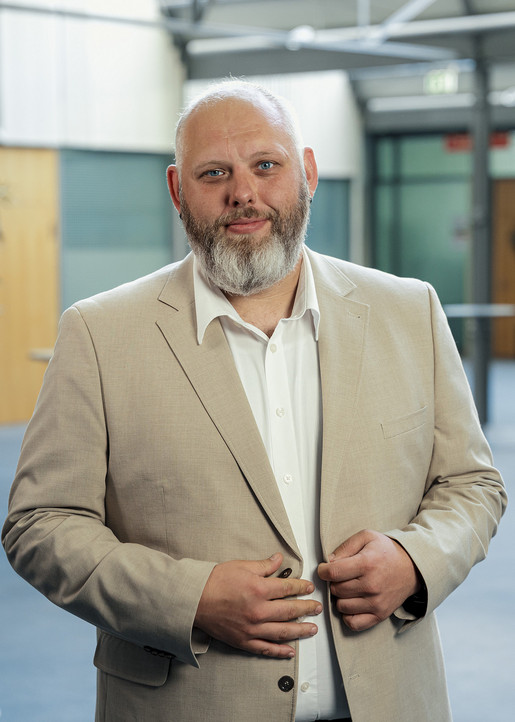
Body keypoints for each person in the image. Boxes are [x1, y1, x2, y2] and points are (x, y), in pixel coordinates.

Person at [2, 79, 506, 722]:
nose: (243, 192)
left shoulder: (409, 311)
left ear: (309, 173)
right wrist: (189, 599)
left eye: (266, 165)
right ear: (177, 190)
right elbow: (40, 524)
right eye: (214, 172)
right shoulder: (99, 334)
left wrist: (416, 560)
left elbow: (472, 485)